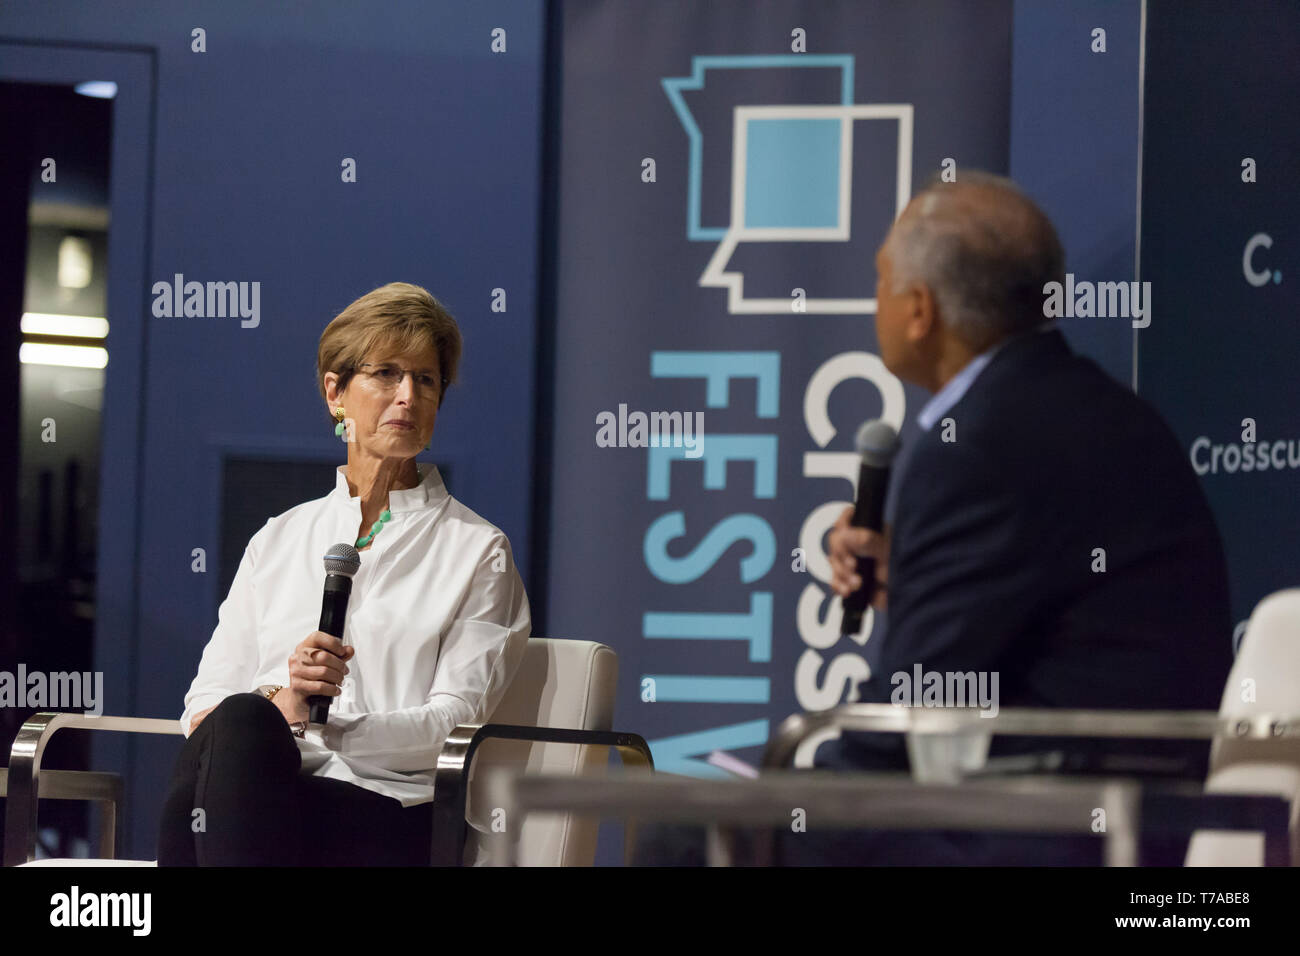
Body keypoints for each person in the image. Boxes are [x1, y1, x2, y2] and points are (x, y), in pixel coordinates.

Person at [784, 172, 1234, 864]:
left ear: (918, 310)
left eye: (880, 279)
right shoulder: (1102, 410)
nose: (873, 299)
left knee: (695, 834)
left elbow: (905, 716)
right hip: (1128, 815)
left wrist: (774, 795)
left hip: (1048, 830)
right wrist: (909, 579)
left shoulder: (980, 444)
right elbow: (1050, 625)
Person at [158, 282, 531, 866]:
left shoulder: (478, 551)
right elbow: (203, 708)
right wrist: (285, 700)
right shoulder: (279, 538)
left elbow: (457, 725)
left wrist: (331, 727)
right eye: (385, 373)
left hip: (387, 811)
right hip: (258, 792)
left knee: (220, 783)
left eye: (426, 380)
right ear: (336, 393)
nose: (407, 396)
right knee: (242, 725)